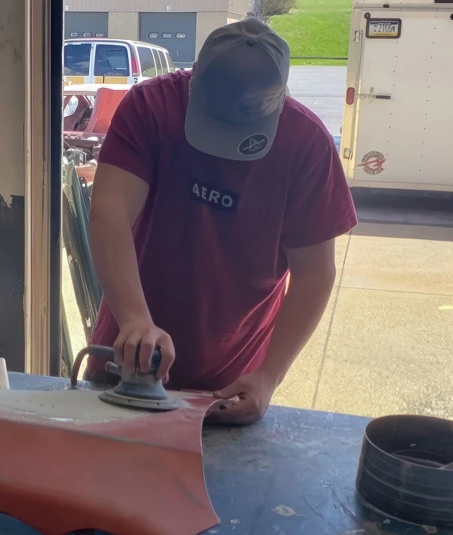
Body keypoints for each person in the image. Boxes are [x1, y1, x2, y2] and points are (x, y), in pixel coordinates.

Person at [84, 18, 358, 425]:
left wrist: (269, 376)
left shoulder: (307, 145)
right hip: (127, 358)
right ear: (193, 82)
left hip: (229, 381)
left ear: (278, 100)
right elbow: (109, 211)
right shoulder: (151, 107)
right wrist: (136, 320)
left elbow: (314, 272)